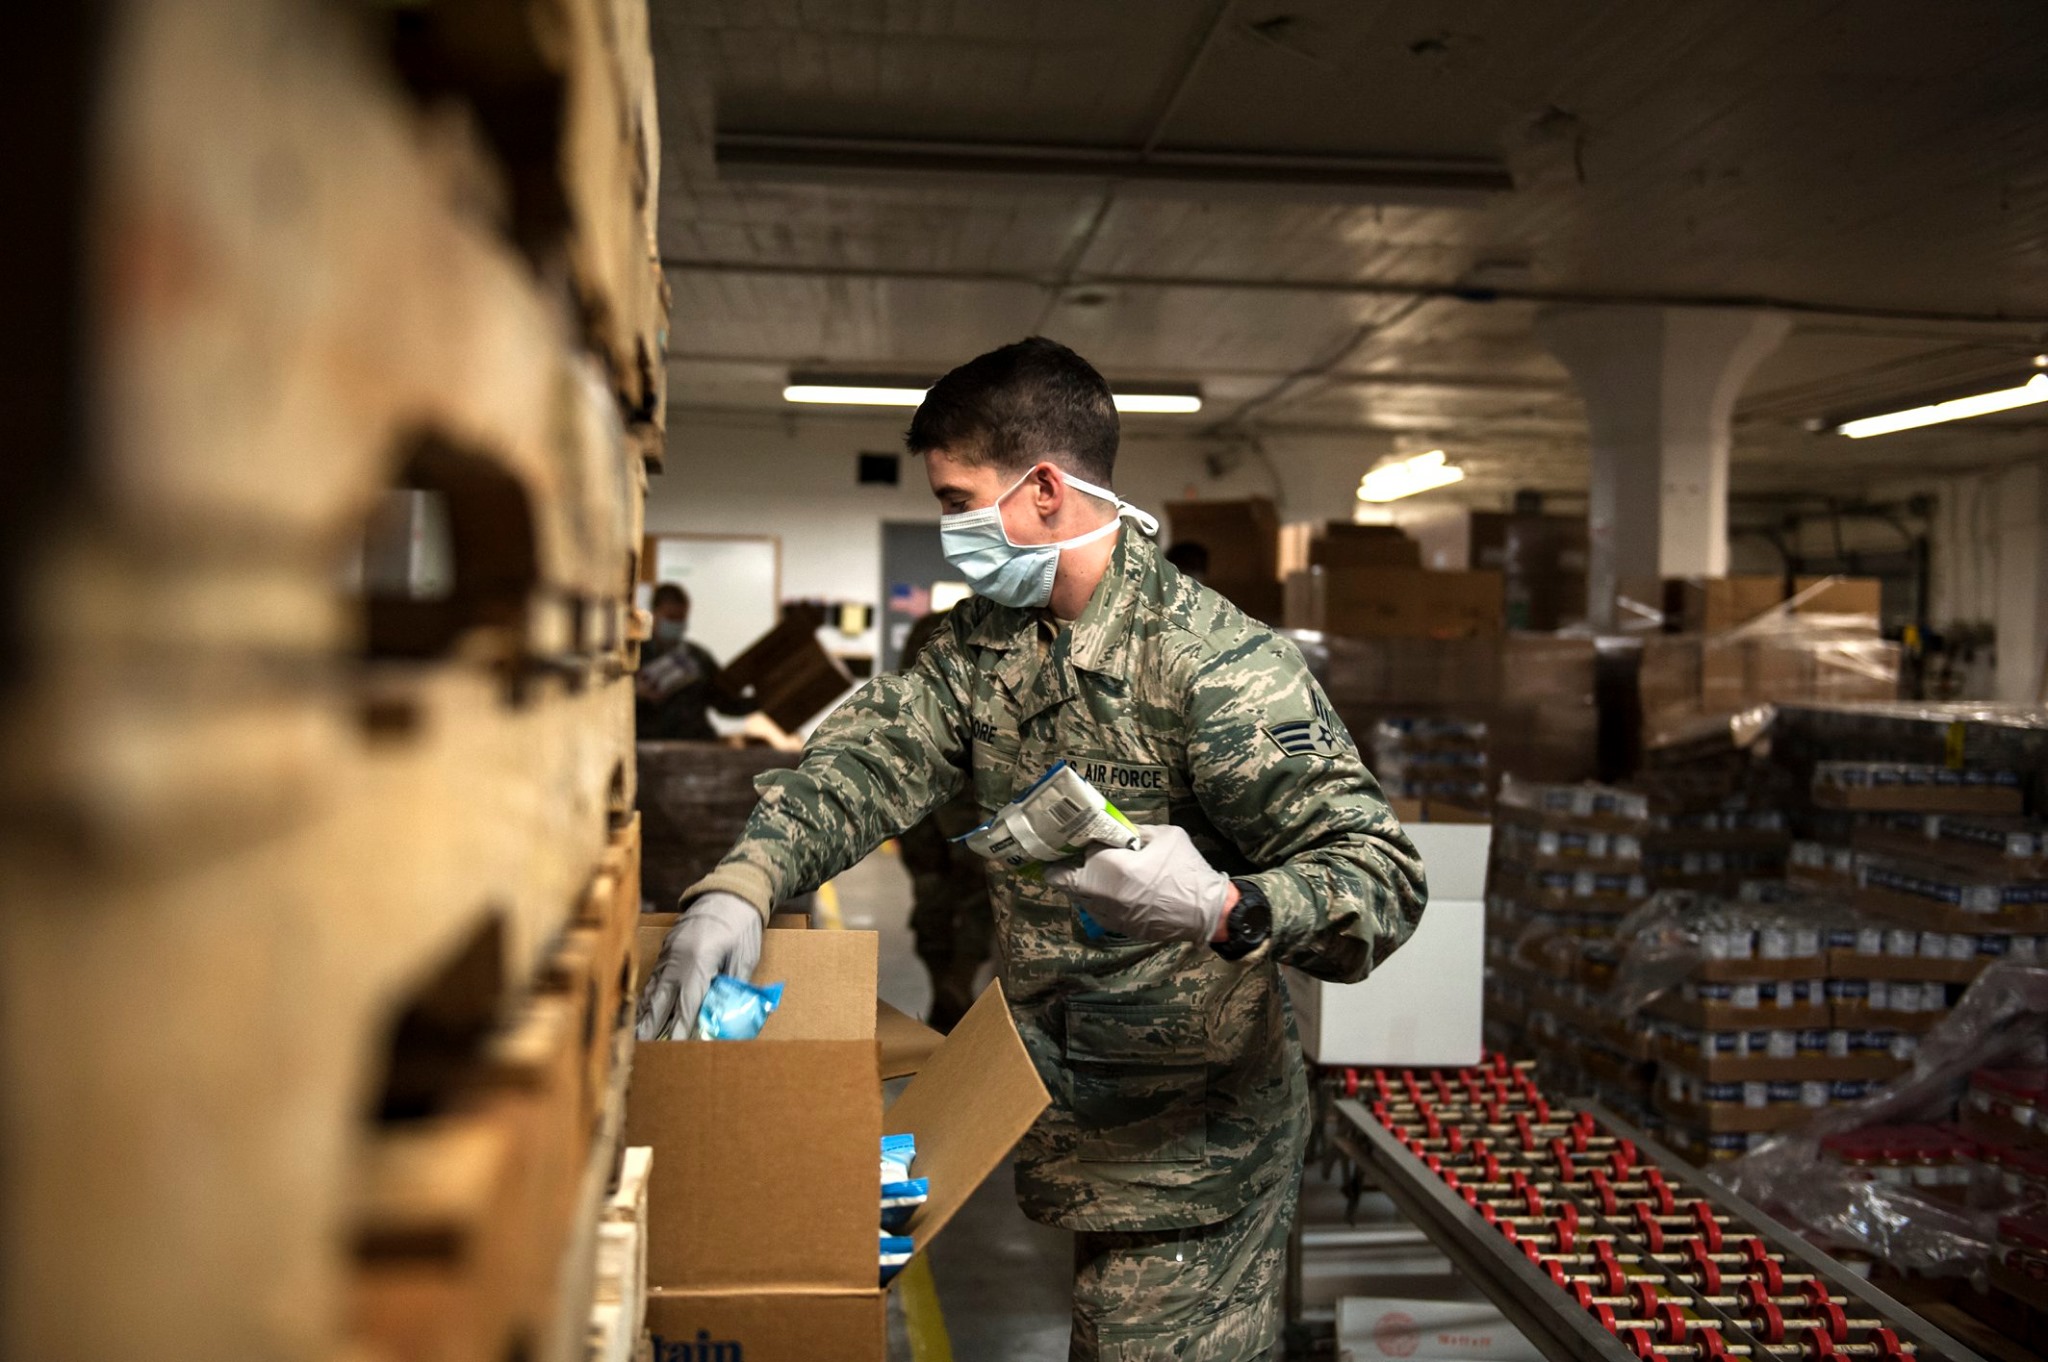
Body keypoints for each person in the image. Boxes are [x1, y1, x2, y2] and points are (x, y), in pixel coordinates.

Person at [637, 337, 1427, 1360]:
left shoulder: (1219, 667)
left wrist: (1227, 907)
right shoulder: (985, 645)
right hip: (1061, 1106)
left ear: (1044, 489)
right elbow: (869, 762)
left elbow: (1381, 878)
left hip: (1190, 1149)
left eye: (957, 498)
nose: (949, 528)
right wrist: (741, 888)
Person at [894, 608, 997, 1032]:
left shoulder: (934, 629)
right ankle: (952, 986)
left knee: (945, 893)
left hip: (932, 793)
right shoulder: (978, 631)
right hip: (955, 796)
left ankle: (949, 987)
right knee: (971, 893)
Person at [635, 583, 753, 741]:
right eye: (670, 618)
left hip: (695, 741)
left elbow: (724, 702)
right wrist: (636, 694)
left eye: (681, 618)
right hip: (649, 743)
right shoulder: (635, 656)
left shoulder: (698, 657)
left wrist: (761, 701)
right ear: (654, 614)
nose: (676, 624)